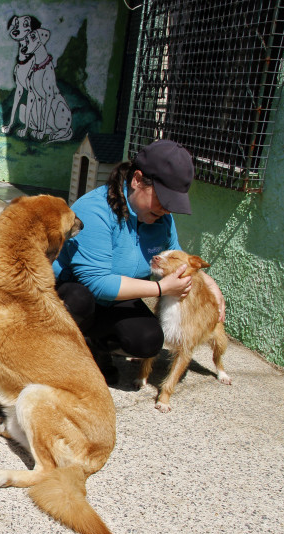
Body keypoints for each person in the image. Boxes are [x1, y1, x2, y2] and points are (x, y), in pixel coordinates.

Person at [53, 139, 225, 384]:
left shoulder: (161, 218)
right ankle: (56, 353)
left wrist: (209, 283)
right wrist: (160, 288)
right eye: (163, 199)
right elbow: (97, 282)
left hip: (119, 297)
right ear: (137, 180)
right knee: (77, 301)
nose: (166, 210)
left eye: (171, 204)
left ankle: (96, 347)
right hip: (75, 292)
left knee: (147, 341)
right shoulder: (95, 210)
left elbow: (177, 257)